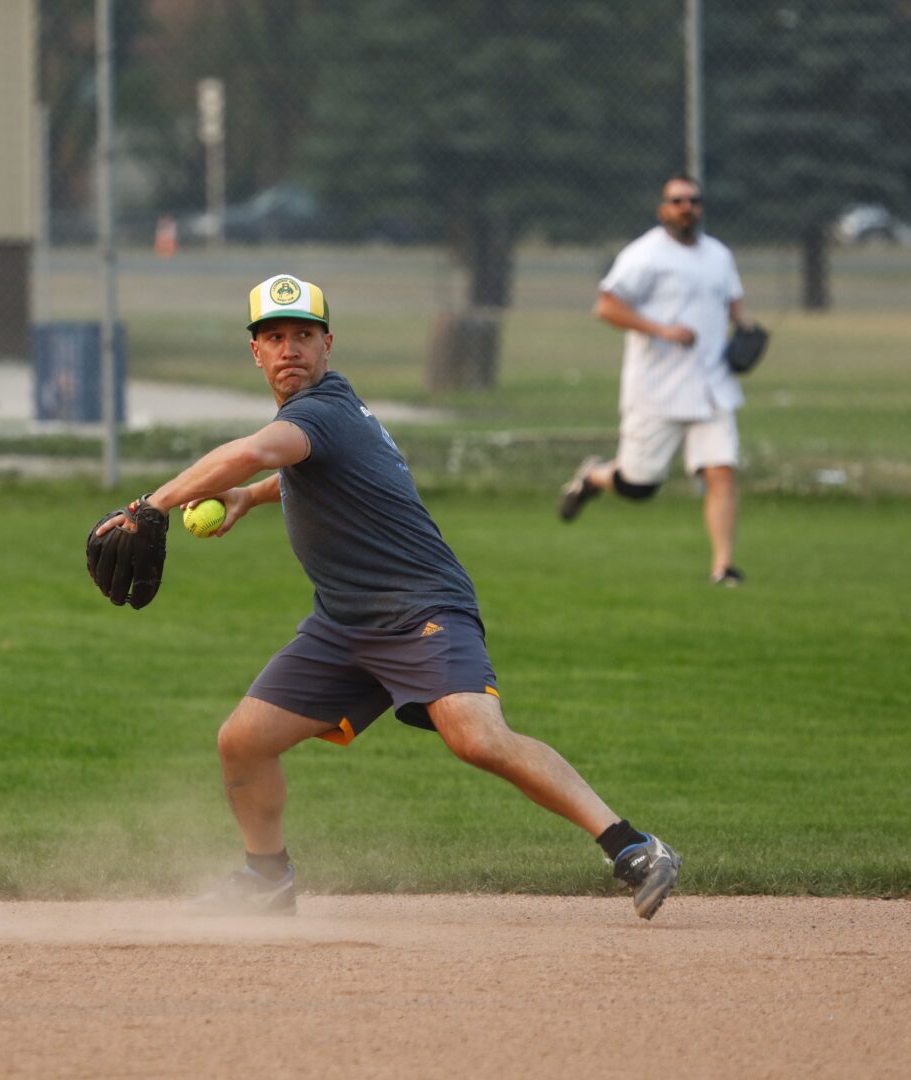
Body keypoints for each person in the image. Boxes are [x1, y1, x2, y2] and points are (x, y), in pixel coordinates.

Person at [93, 273, 680, 919]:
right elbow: (299, 470)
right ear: (255, 352)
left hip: (420, 609)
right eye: (274, 336)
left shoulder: (321, 412)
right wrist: (246, 496)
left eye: (303, 335)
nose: (289, 348)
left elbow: (258, 451)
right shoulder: (326, 419)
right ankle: (266, 878)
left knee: (476, 737)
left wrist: (150, 505)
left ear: (327, 345)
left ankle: (634, 847)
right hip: (342, 625)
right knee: (243, 740)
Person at [559, 173, 759, 586]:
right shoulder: (645, 254)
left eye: (694, 200)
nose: (687, 207)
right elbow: (606, 307)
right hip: (658, 388)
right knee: (638, 486)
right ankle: (593, 476)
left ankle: (723, 568)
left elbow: (732, 301)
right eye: (677, 200)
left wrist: (746, 329)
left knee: (721, 470)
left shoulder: (718, 254)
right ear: (663, 209)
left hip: (712, 384)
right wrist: (661, 330)